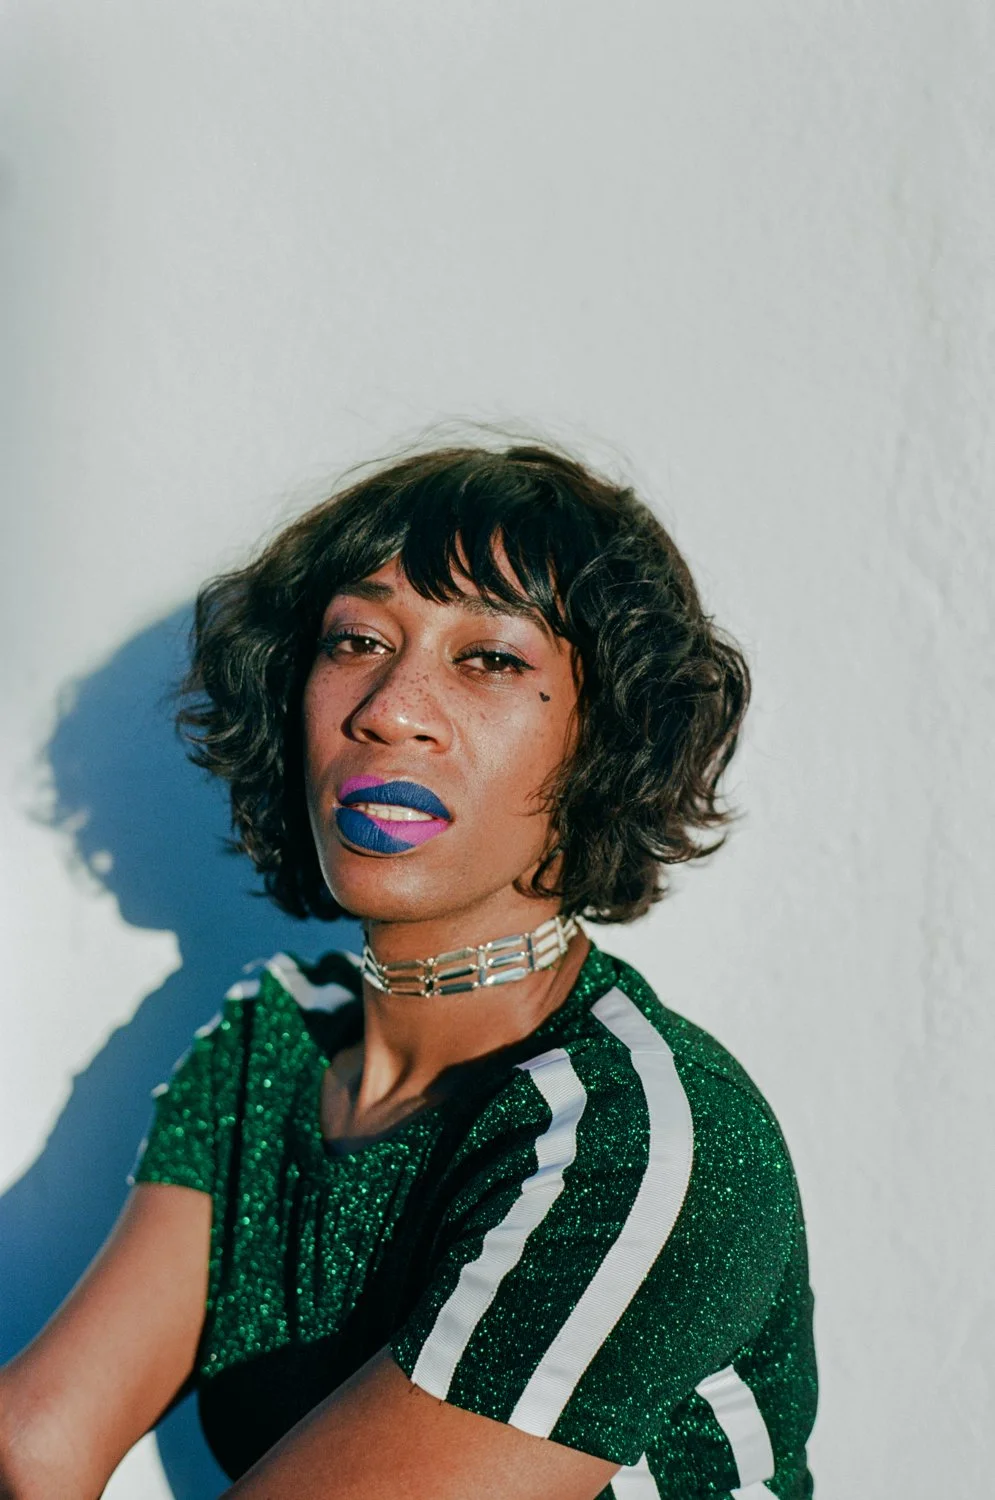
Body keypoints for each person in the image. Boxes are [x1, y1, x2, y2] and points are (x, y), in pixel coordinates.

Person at [0, 443, 818, 1499]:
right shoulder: (271, 1047)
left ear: (600, 738)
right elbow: (37, 1444)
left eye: (488, 659)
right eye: (357, 639)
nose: (388, 706)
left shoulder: (640, 1135)